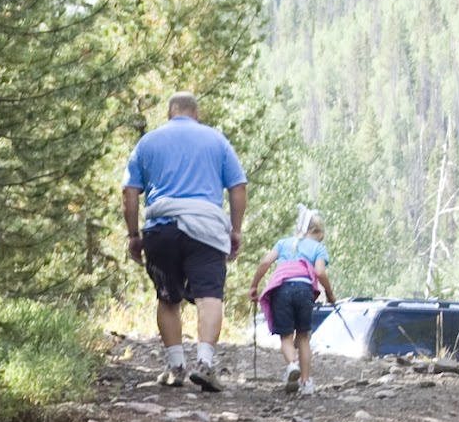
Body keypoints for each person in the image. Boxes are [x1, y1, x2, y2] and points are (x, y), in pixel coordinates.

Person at [122, 91, 247, 393]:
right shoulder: (217, 140)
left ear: (169, 113)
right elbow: (238, 187)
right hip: (206, 229)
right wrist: (235, 229)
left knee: (168, 298)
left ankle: (176, 366)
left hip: (161, 228)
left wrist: (133, 235)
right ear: (196, 113)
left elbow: (129, 192)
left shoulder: (148, 142)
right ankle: (205, 363)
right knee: (209, 296)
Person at [250, 205, 336, 396]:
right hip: (304, 290)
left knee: (286, 337)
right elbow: (320, 272)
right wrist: (330, 295)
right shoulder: (318, 248)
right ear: (318, 233)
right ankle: (306, 382)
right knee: (303, 337)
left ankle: (291, 365)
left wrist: (254, 286)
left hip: (281, 290)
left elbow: (265, 263)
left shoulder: (283, 243)